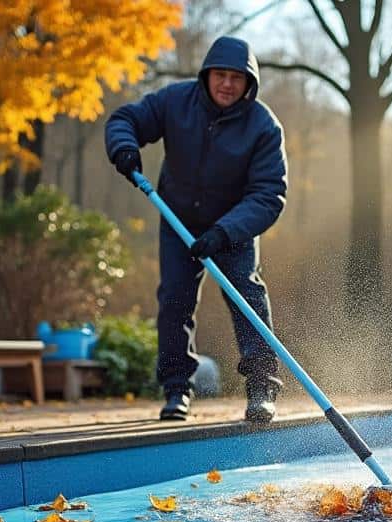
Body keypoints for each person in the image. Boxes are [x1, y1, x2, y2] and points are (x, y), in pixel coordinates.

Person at [105, 36, 287, 423]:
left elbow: (269, 194)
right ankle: (176, 390)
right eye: (220, 75)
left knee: (246, 293)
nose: (227, 85)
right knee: (174, 299)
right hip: (178, 219)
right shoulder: (174, 101)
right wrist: (124, 148)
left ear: (248, 84)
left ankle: (261, 386)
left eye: (236, 79)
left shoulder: (263, 126)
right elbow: (126, 119)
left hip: (233, 228)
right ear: (206, 76)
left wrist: (224, 232)